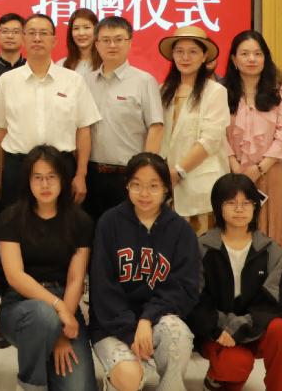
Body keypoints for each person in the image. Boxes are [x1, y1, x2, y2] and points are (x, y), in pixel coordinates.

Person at [89, 152, 198, 391]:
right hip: (112, 325)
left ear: (166, 188)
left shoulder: (181, 230)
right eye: (136, 185)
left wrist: (147, 318)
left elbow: (184, 288)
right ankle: (125, 376)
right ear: (127, 185)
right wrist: (131, 332)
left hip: (157, 321)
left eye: (153, 186)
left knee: (177, 335)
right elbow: (103, 288)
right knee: (129, 377)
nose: (144, 194)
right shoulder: (109, 223)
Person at [0, 145, 96, 391]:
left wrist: (62, 332)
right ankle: (30, 385)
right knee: (43, 317)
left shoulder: (80, 221)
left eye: (51, 177)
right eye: (38, 177)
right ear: (28, 181)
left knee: (79, 388)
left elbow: (75, 279)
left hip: (66, 302)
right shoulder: (11, 218)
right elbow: (15, 276)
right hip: (21, 305)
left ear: (63, 180)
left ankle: (48, 359)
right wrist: (57, 308)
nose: (45, 184)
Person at [188, 173, 282, 391]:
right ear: (218, 207)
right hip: (217, 333)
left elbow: (275, 302)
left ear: (256, 207)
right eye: (231, 203)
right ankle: (218, 377)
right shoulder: (202, 247)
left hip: (255, 328)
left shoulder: (271, 250)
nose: (239, 209)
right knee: (234, 366)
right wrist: (220, 329)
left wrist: (240, 327)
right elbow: (195, 298)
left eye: (247, 203)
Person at [222, 30, 282, 315]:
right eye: (244, 54)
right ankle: (237, 313)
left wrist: (259, 169)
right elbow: (218, 133)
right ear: (233, 59)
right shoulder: (221, 92)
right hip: (232, 176)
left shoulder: (281, 93)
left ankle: (276, 314)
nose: (251, 59)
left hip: (270, 174)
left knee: (273, 239)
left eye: (257, 53)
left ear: (265, 58)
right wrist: (235, 166)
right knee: (236, 238)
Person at [0, 14, 100, 210]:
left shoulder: (73, 80)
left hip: (61, 167)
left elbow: (83, 130)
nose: (37, 38)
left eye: (43, 33)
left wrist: (81, 175)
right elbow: (0, 131)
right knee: (16, 223)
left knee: (61, 225)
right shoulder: (6, 81)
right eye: (31, 33)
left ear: (54, 40)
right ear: (23, 38)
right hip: (17, 167)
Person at [85, 16, 164, 223]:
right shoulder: (86, 81)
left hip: (128, 175)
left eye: (119, 39)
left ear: (129, 42)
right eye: (106, 40)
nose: (112, 45)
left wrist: (145, 173)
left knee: (127, 231)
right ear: (96, 44)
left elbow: (156, 127)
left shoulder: (144, 81)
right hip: (91, 174)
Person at [157, 25, 230, 230]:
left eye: (193, 52)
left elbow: (210, 140)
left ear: (204, 56)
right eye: (179, 51)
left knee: (201, 245)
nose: (185, 57)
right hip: (168, 187)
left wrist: (178, 171)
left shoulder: (215, 91)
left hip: (200, 186)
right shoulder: (163, 90)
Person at [58, 8, 99, 80]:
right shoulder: (61, 65)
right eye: (76, 28)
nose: (81, 33)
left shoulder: (106, 64)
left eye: (86, 27)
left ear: (96, 30)